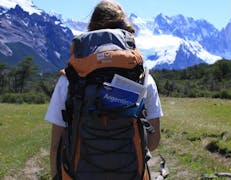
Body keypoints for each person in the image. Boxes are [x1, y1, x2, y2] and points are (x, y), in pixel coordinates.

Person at [45, 0, 163, 178]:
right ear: (125, 29)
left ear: (91, 29)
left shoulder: (70, 78)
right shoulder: (143, 77)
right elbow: (153, 143)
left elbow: (56, 145)